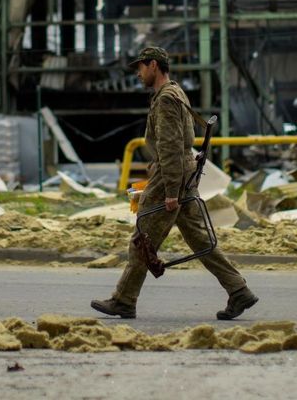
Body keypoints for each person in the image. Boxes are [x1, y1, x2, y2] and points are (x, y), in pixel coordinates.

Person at [91, 46, 258, 320]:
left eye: (141, 67)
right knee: (200, 239)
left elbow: (170, 146)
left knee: (142, 239)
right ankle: (239, 291)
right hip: (183, 173)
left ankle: (123, 300)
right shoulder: (175, 91)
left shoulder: (166, 99)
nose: (138, 72)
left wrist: (170, 192)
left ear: (154, 65)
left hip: (172, 176)